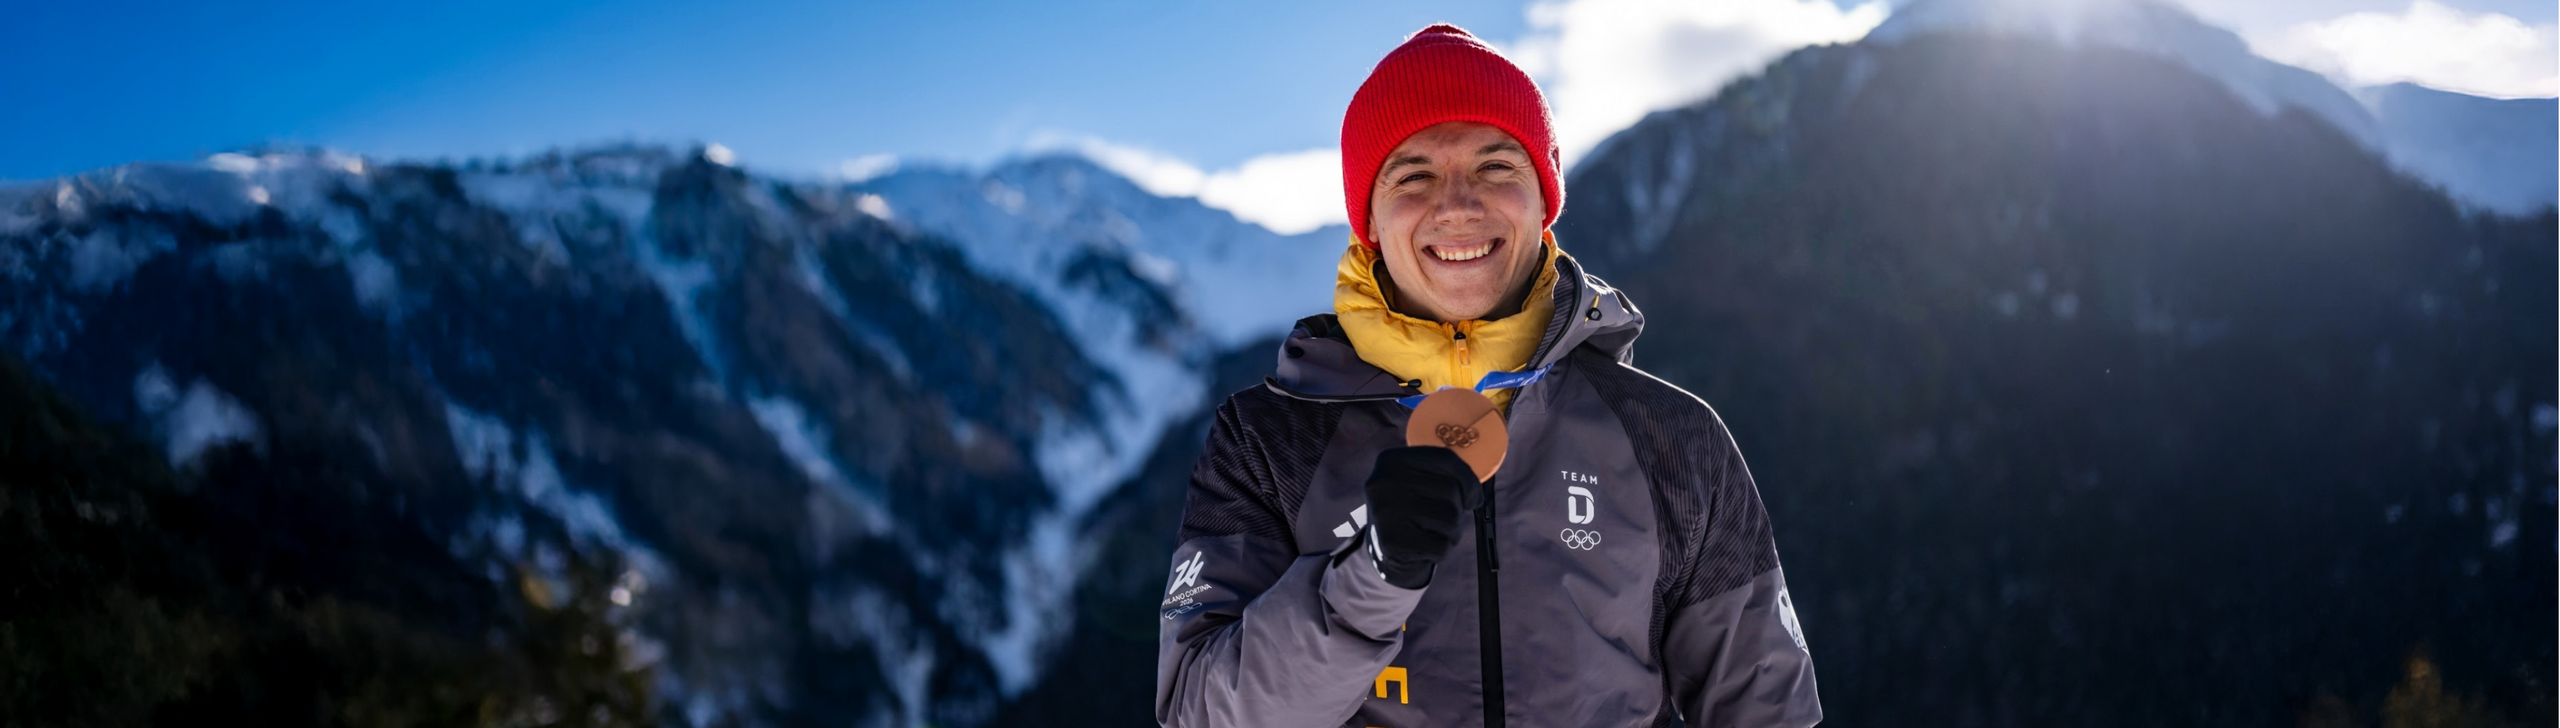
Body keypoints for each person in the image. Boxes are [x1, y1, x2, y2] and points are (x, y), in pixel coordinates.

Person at [1154, 24, 1819, 728]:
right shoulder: (1268, 440)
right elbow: (1199, 711)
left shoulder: (1671, 438)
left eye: (1496, 167)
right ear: (1368, 219)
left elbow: (1766, 711)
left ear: (1544, 200)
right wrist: (1367, 581)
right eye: (1414, 176)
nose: (1458, 205)